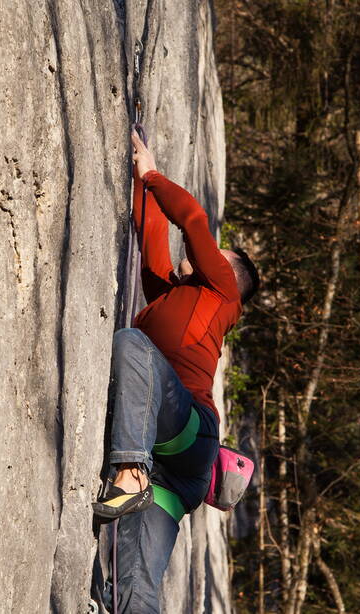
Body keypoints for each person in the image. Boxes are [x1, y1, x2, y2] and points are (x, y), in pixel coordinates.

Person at [92, 128, 259, 611]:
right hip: (177, 477)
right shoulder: (172, 298)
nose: (208, 254)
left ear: (229, 273)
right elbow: (153, 244)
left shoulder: (224, 289)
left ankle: (130, 472)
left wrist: (154, 174)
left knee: (132, 345)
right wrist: (140, 184)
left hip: (187, 435)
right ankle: (135, 476)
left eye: (218, 255)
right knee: (134, 585)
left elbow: (193, 220)